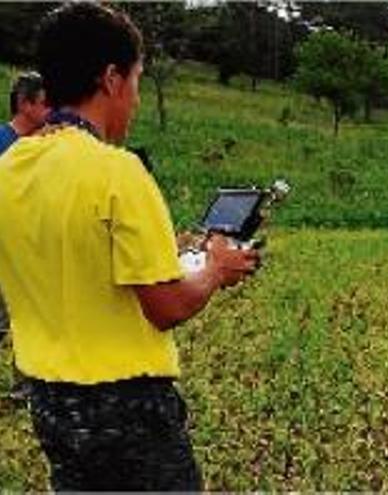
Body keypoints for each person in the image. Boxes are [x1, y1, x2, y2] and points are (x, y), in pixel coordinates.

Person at [0, 3, 259, 491]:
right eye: (138, 79)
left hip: (51, 404)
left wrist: (172, 251)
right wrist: (216, 269)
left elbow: (66, 253)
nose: (137, 99)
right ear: (112, 78)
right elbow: (168, 305)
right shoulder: (117, 170)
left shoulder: (9, 168)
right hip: (127, 407)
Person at [0, 72, 49, 401]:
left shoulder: (44, 146)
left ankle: (27, 384)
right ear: (24, 103)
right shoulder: (3, 141)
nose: (52, 110)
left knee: (28, 317)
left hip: (30, 248)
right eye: (46, 103)